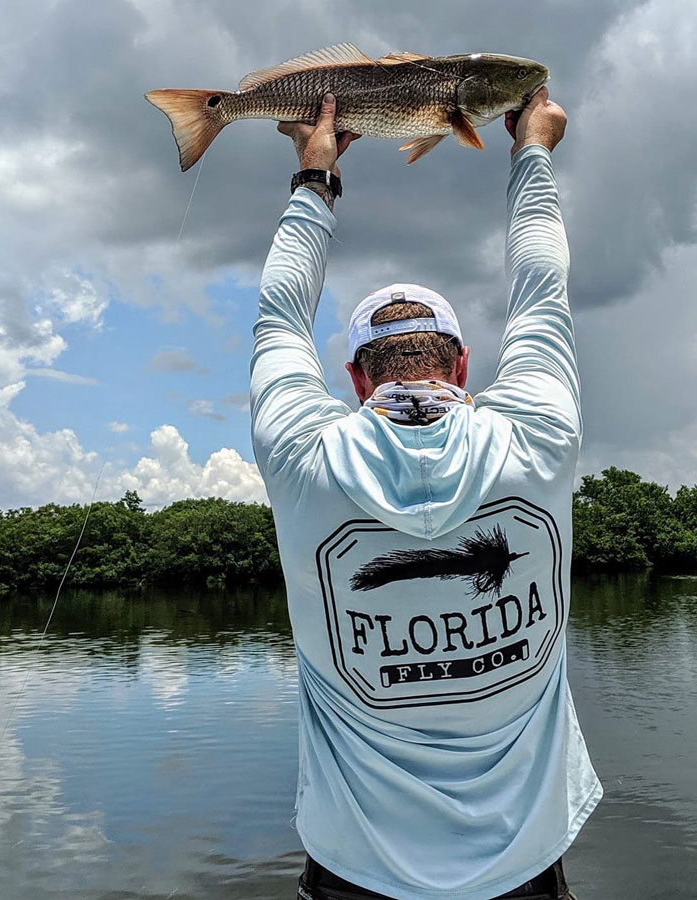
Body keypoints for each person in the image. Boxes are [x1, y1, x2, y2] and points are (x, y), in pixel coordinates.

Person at [251, 87, 602, 900]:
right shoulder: (539, 438)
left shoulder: (303, 454)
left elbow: (277, 315)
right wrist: (534, 152)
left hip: (352, 874)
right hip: (524, 872)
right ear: (462, 366)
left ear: (351, 378)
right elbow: (543, 286)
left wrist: (315, 177)